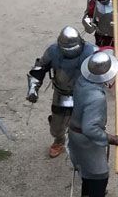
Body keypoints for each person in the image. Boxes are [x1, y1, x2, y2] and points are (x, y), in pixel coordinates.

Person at [68, 51, 118, 197]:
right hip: (86, 139)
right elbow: (90, 128)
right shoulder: (96, 97)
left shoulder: (82, 81)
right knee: (100, 175)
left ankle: (86, 193)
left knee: (86, 167)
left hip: (75, 133)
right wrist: (111, 138)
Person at [26, 27, 97, 158]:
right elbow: (39, 68)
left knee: (85, 124)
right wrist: (33, 88)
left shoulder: (91, 51)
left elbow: (102, 71)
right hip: (61, 94)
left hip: (84, 94)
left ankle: (83, 145)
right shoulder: (53, 51)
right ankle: (59, 140)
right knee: (56, 127)